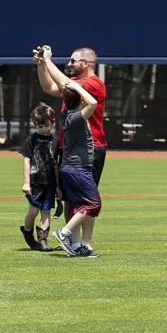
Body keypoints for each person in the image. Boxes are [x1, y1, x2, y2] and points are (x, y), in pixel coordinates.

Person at [34, 45, 108, 186]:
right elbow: (48, 88)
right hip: (70, 146)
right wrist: (41, 65)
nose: (69, 64)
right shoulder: (75, 82)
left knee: (83, 198)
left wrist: (48, 61)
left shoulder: (95, 84)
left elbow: (66, 83)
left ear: (85, 63)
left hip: (89, 147)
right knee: (68, 196)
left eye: (73, 61)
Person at [51, 80, 102, 258]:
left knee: (76, 205)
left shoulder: (66, 114)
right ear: (80, 99)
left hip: (70, 168)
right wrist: (78, 88)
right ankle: (64, 232)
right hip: (78, 169)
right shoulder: (75, 117)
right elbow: (93, 103)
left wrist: (73, 90)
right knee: (93, 204)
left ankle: (76, 245)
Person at [19, 103, 59, 251]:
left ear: (52, 122)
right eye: (39, 126)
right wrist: (26, 183)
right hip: (35, 182)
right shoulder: (32, 139)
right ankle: (28, 232)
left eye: (46, 125)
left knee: (46, 211)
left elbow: (55, 163)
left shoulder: (55, 141)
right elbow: (26, 160)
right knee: (33, 211)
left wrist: (58, 186)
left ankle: (43, 240)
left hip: (50, 182)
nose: (43, 129)